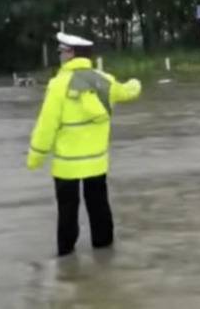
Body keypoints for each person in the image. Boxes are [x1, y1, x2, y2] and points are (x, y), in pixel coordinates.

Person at [26, 31, 142, 257]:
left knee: (67, 211)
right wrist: (136, 83)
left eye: (62, 52)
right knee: (99, 206)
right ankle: (104, 250)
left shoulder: (58, 85)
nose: (60, 56)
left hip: (66, 166)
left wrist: (35, 158)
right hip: (96, 163)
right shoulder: (104, 81)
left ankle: (66, 254)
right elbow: (128, 91)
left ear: (71, 54)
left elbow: (46, 125)